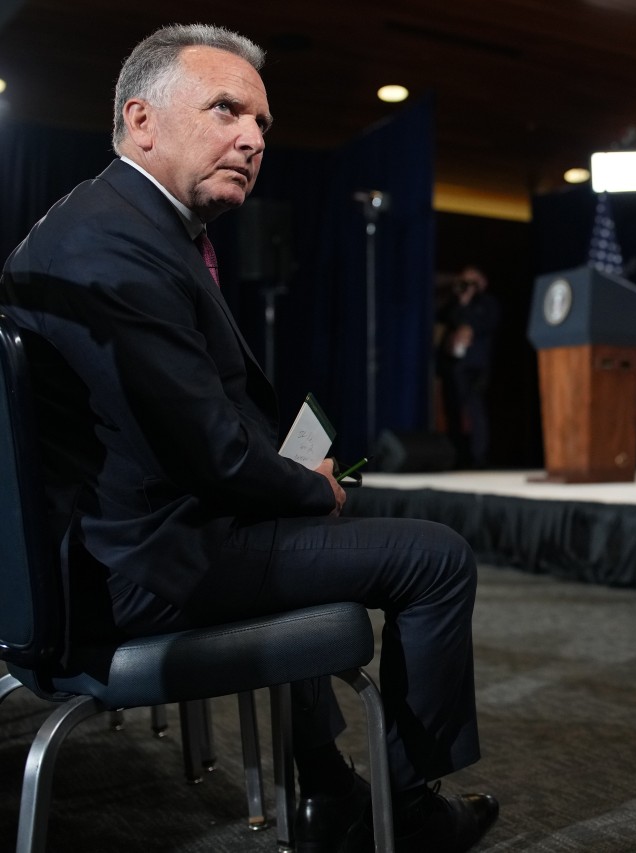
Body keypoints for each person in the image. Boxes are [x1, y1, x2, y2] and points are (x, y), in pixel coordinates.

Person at [0, 24, 498, 853]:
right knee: (437, 558)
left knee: (296, 519)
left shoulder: (109, 222)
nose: (254, 138)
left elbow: (182, 427)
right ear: (141, 120)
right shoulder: (116, 248)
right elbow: (212, 455)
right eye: (226, 110)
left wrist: (283, 481)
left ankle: (329, 791)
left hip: (114, 545)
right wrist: (312, 487)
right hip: (135, 571)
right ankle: (409, 817)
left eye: (262, 123)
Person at [436, 265, 499, 468]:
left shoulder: (487, 303)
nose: (467, 285)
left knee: (474, 409)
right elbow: (443, 318)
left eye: (472, 281)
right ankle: (457, 455)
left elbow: (488, 323)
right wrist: (461, 300)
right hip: (454, 364)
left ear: (482, 283)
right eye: (465, 281)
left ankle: (478, 456)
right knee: (453, 409)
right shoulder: (455, 304)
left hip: (476, 366)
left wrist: (469, 308)